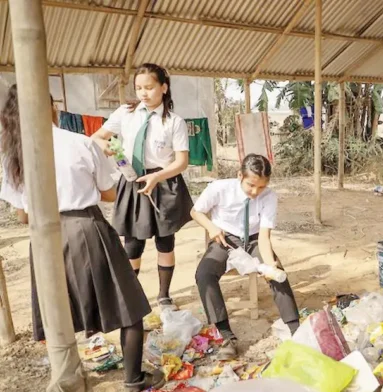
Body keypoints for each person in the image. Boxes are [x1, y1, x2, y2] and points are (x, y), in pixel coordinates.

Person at [0, 85, 163, 392]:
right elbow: (108, 193)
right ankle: (133, 381)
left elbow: (22, 216)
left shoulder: (12, 158)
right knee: (130, 309)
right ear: (51, 108)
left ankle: (66, 382)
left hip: (44, 241)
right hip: (87, 231)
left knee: (59, 316)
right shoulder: (79, 143)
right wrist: (120, 166)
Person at [91, 63, 193, 312]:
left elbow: (181, 162)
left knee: (165, 242)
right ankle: (130, 297)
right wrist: (104, 146)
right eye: (139, 88)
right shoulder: (125, 113)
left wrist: (157, 177)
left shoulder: (174, 122)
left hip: (164, 183)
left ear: (164, 87)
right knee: (132, 243)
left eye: (149, 87)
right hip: (132, 180)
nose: (143, 93)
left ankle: (164, 296)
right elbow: (97, 136)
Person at [191, 154, 300, 360]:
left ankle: (295, 329)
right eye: (251, 185)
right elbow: (196, 212)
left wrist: (270, 265)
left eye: (261, 187)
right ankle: (226, 336)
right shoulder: (219, 188)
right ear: (239, 175)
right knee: (204, 275)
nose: (255, 192)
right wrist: (211, 227)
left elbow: (265, 236)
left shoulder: (269, 197)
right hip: (224, 238)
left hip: (255, 239)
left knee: (278, 274)